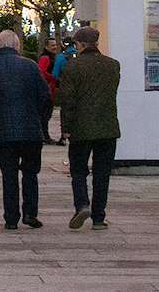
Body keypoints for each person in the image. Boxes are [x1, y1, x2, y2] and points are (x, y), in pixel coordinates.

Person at [0, 30, 52, 230]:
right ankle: (30, 213)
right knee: (30, 173)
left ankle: (11, 217)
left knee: (8, 175)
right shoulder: (31, 67)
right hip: (31, 129)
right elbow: (45, 97)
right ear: (17, 46)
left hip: (3, 130)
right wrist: (40, 118)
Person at [57, 26, 121, 231]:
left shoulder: (72, 67)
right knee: (102, 173)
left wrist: (65, 128)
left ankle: (82, 205)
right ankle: (99, 218)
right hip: (107, 127)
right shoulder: (113, 66)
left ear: (81, 44)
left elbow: (68, 100)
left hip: (80, 127)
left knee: (78, 170)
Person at [37, 38, 61, 145]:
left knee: (46, 115)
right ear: (46, 47)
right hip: (47, 90)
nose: (55, 47)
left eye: (55, 45)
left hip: (49, 90)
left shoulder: (50, 57)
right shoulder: (46, 58)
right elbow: (41, 72)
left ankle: (44, 136)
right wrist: (53, 78)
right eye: (52, 45)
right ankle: (44, 136)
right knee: (45, 115)